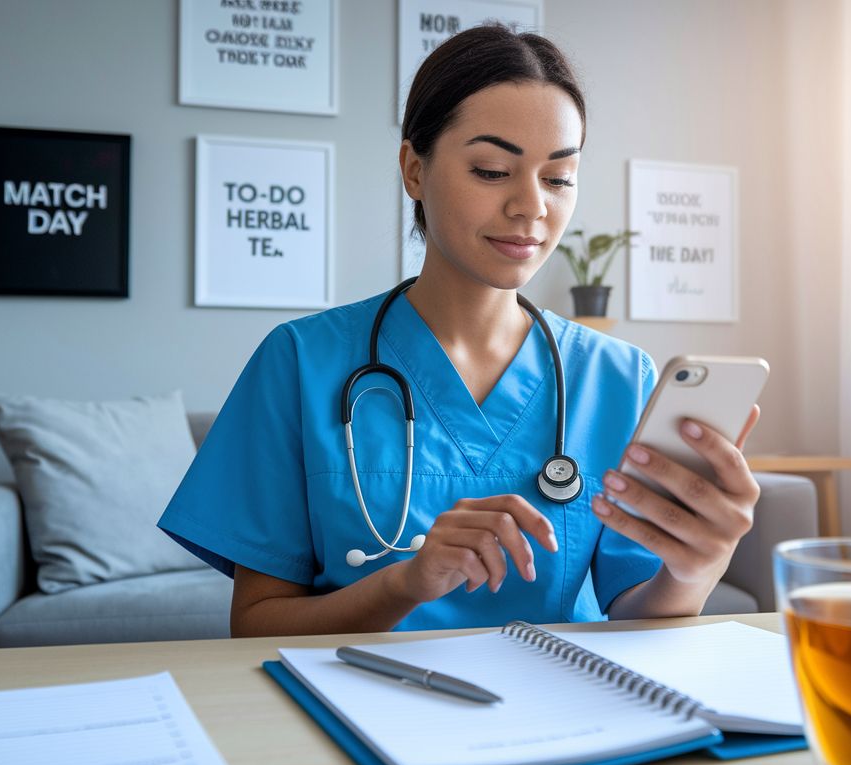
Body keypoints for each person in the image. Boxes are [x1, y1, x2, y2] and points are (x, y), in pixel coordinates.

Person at [159, 25, 760, 637]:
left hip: (568, 711)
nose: (532, 207)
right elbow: (258, 627)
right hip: (364, 710)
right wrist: (404, 582)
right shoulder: (299, 362)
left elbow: (636, 615)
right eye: (493, 169)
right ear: (414, 171)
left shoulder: (617, 378)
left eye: (558, 177)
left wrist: (699, 566)